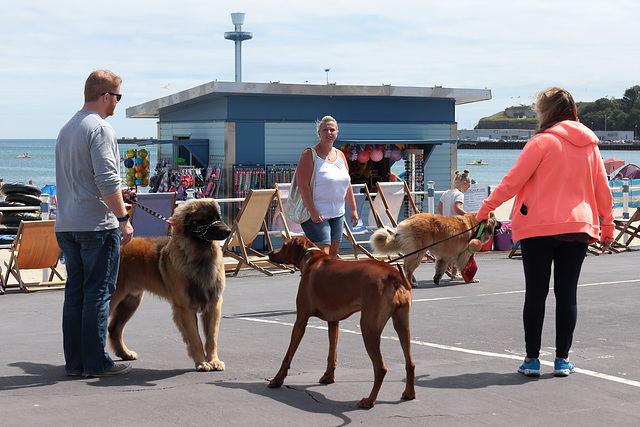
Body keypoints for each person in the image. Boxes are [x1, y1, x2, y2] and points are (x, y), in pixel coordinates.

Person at [476, 87, 614, 377]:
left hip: (538, 228)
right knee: (567, 295)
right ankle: (563, 360)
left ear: (547, 111)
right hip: (578, 227)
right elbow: (603, 189)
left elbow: (512, 181)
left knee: (536, 294)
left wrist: (486, 208)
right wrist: (608, 225)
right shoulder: (591, 145)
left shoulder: (541, 142)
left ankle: (532, 360)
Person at [55, 69, 135, 377]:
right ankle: (96, 362)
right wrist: (123, 218)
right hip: (96, 225)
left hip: (67, 224)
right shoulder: (101, 129)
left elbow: (80, 178)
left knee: (75, 293)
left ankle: (75, 362)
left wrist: (118, 193)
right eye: (117, 97)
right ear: (105, 96)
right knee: (98, 294)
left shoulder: (67, 127)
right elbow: (105, 179)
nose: (117, 103)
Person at [295, 116, 358, 258]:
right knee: (323, 253)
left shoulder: (340, 155)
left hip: (337, 213)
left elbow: (347, 183)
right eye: (325, 130)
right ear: (319, 133)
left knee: (334, 254)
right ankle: (315, 280)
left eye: (332, 130)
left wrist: (353, 209)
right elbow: (302, 185)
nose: (329, 133)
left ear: (337, 132)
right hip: (317, 213)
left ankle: (326, 280)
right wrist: (313, 211)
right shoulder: (309, 154)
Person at [438, 169, 472, 279]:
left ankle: (448, 269)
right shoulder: (459, 194)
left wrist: (446, 216)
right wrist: (467, 215)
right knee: (458, 250)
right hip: (456, 226)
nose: (465, 191)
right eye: (466, 189)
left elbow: (439, 208)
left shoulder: (446, 193)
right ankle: (454, 273)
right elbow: (457, 208)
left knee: (448, 249)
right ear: (464, 184)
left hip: (446, 225)